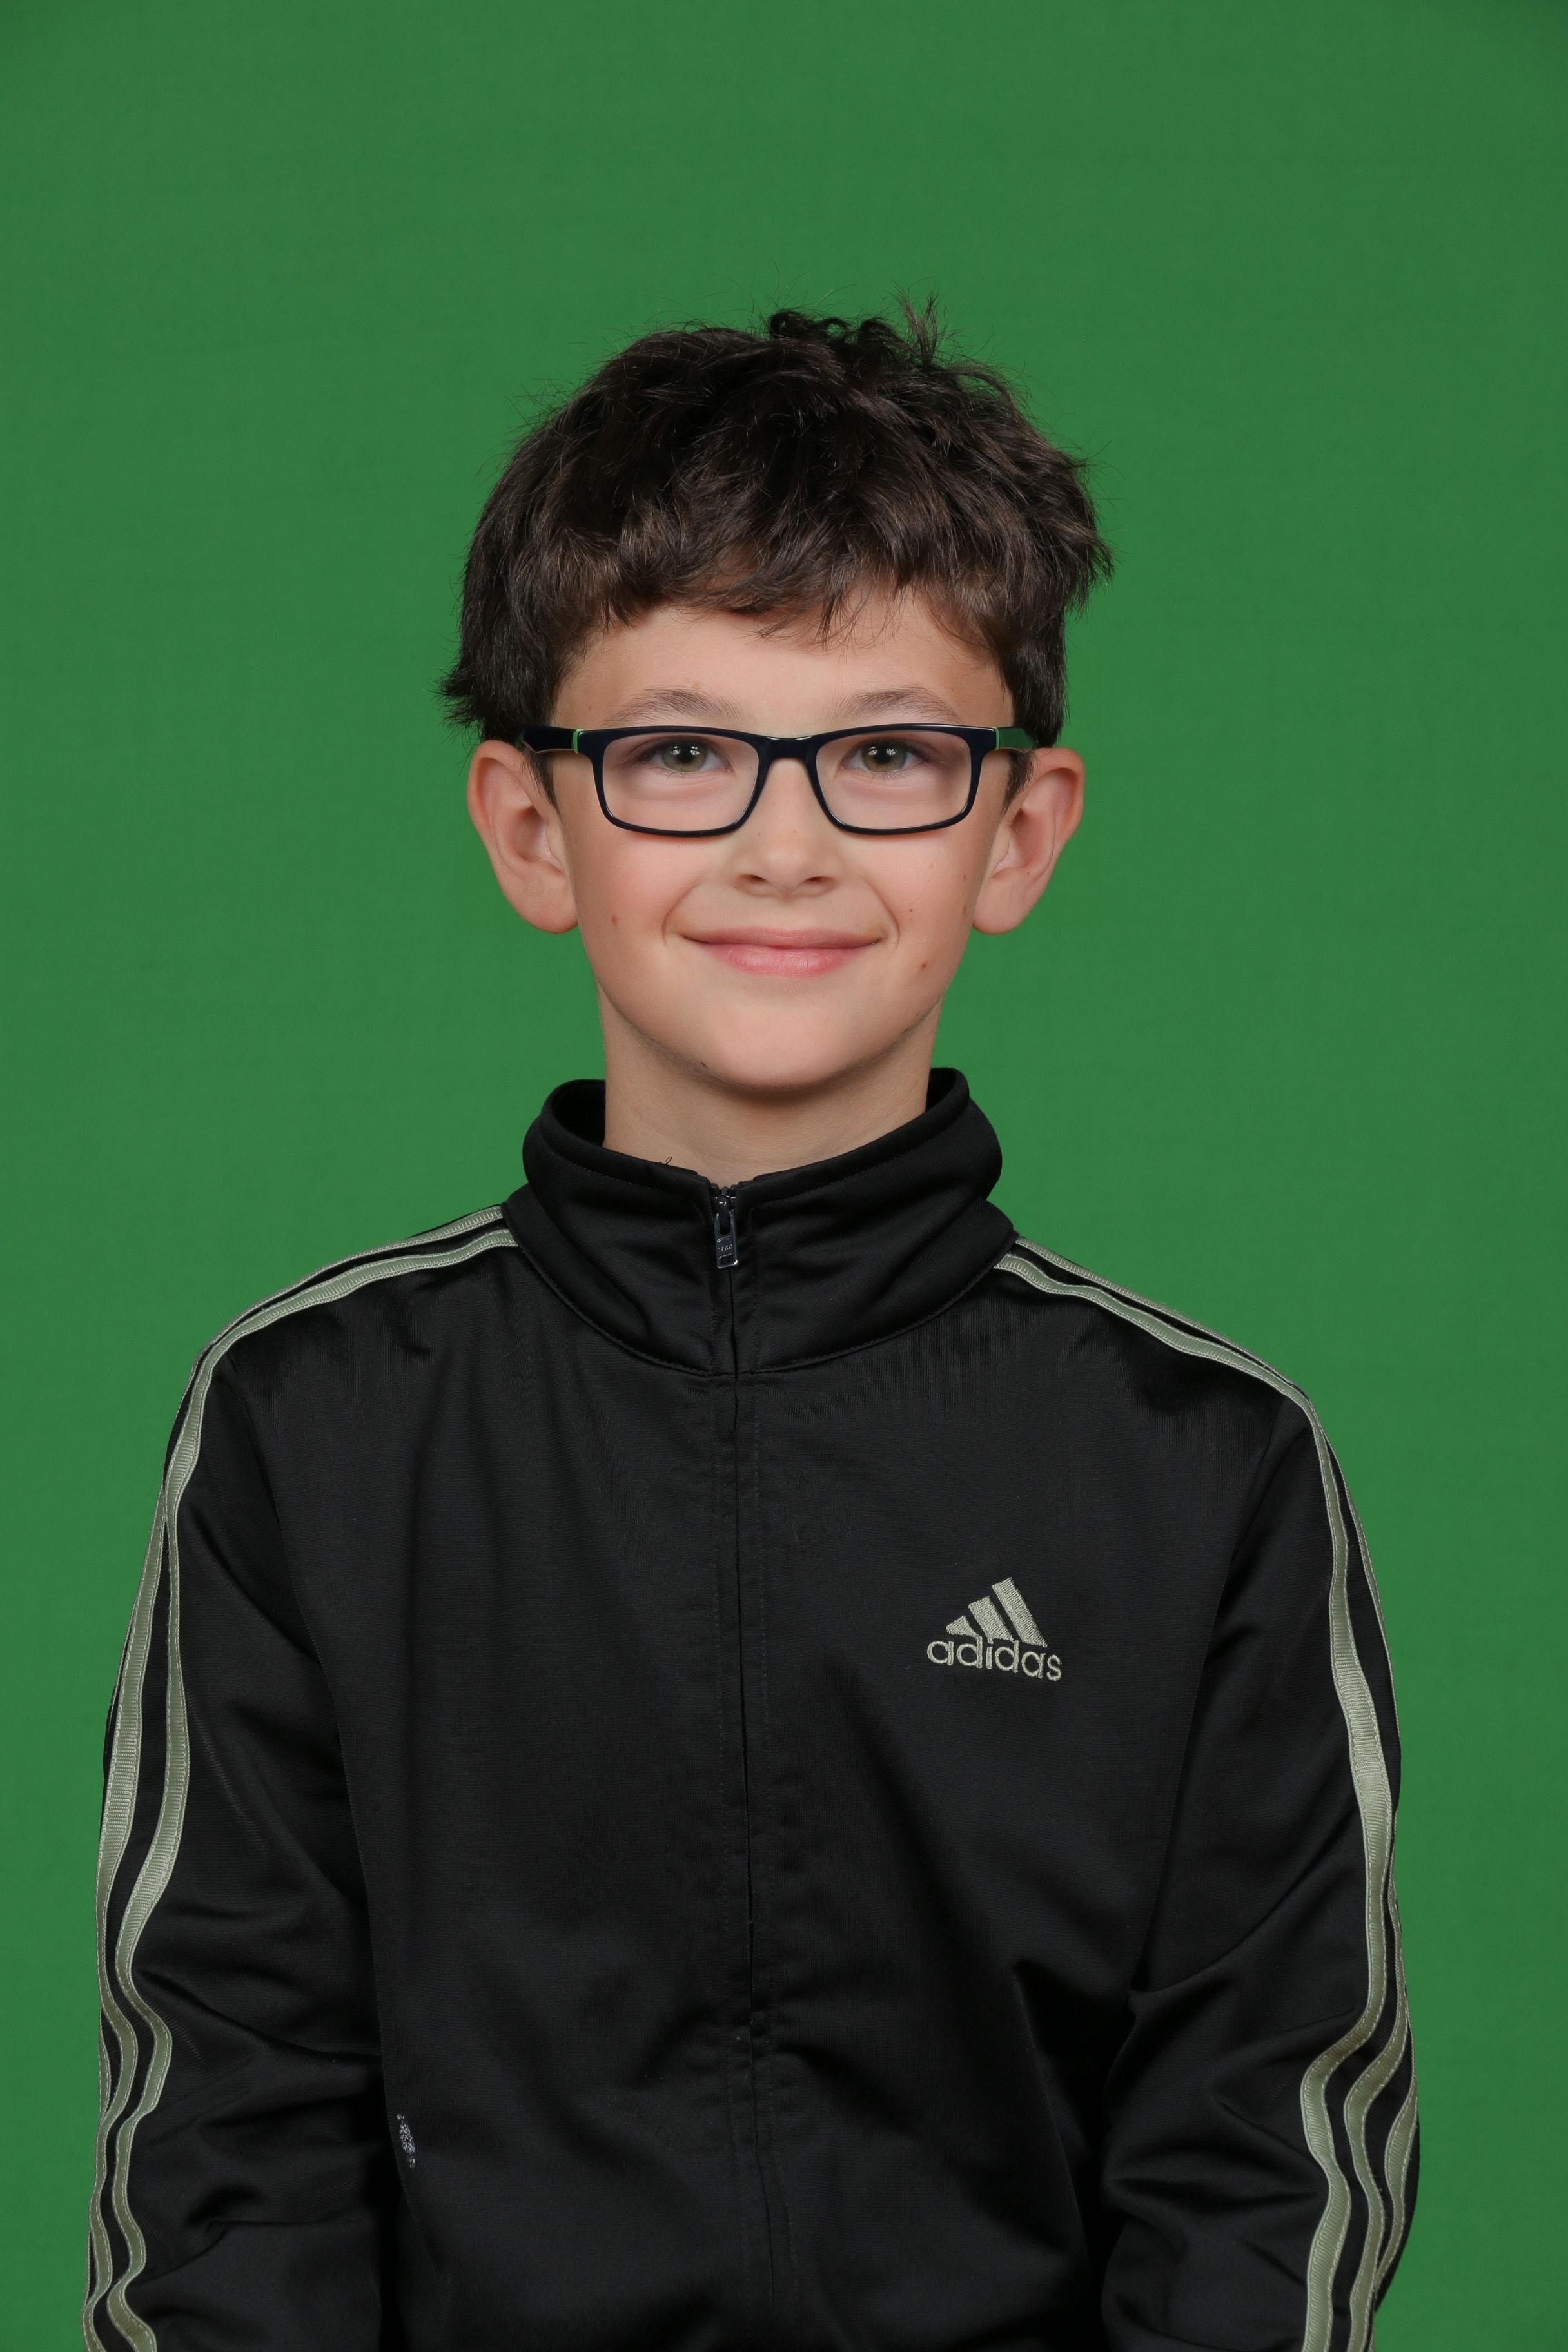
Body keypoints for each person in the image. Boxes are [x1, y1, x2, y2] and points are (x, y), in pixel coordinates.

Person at [85, 307, 1415, 2352]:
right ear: (534, 827)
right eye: (683, 754)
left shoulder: (1201, 1465)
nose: (784, 848)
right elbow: (229, 2130)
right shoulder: (312, 1425)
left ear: (1019, 830)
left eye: (887, 754)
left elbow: (1266, 2151)